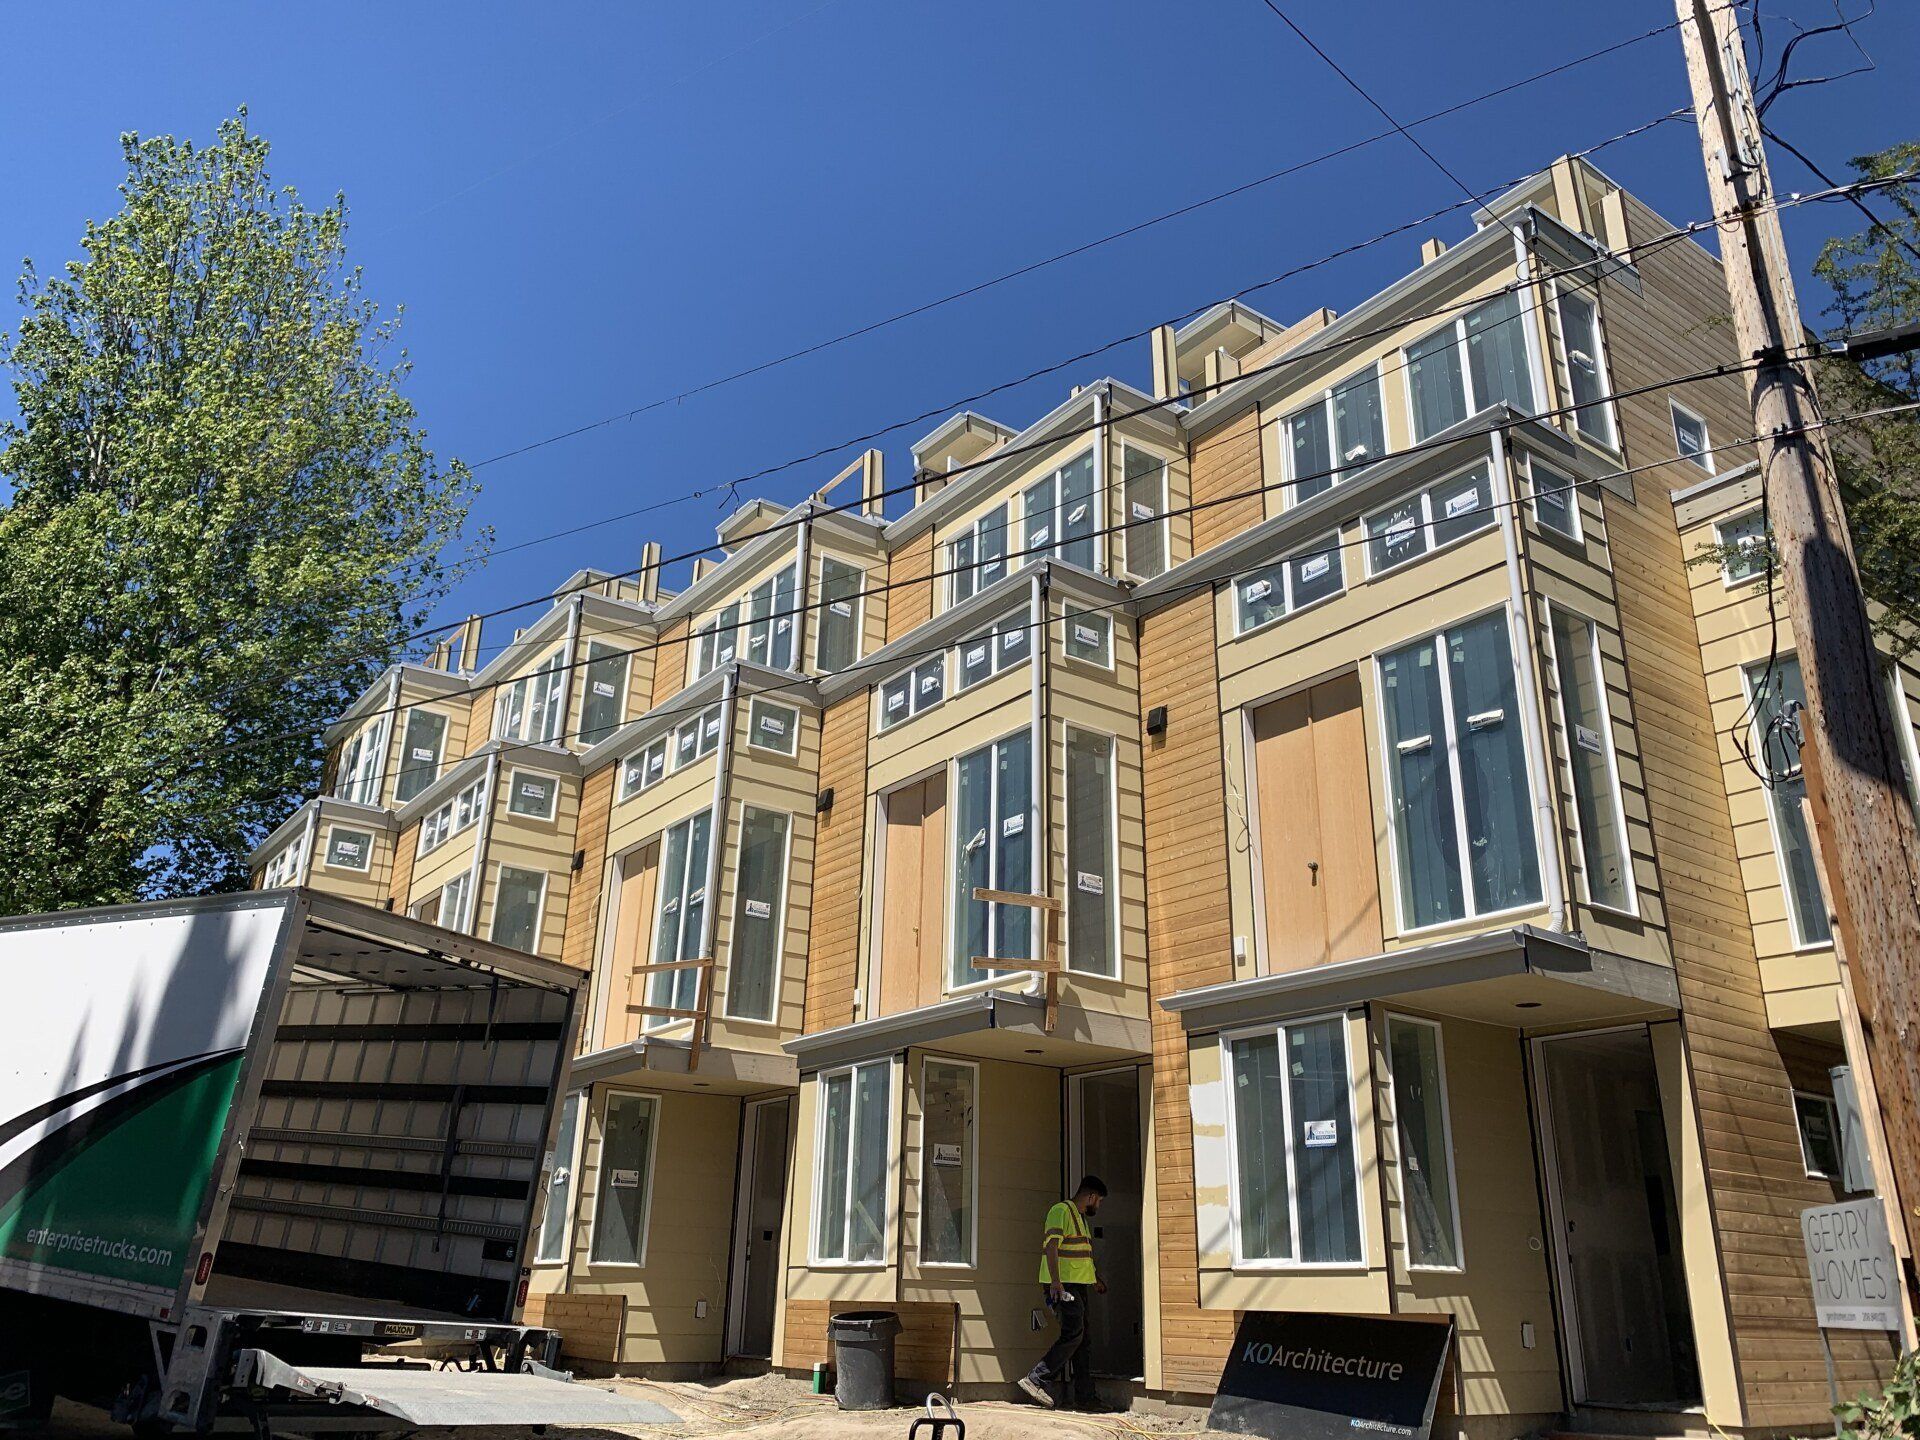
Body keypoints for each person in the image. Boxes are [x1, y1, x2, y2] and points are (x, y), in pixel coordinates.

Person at [1017, 1174, 1108, 1410]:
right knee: (1074, 1334)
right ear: (1090, 1196)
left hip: (1075, 1285)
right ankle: (1036, 1378)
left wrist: (1094, 1279)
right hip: (1062, 1285)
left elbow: (1080, 1255)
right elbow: (1052, 1246)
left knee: (1082, 1339)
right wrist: (1056, 1282)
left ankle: (1085, 1397)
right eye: (1098, 1201)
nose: (1098, 1206)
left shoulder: (1080, 1218)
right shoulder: (1061, 1211)